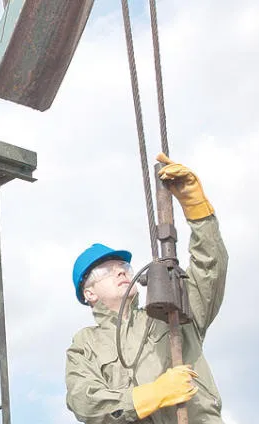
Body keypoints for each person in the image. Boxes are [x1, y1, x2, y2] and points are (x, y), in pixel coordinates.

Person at [65, 153, 228, 423]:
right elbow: (84, 401)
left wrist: (197, 210)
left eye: (123, 266)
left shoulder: (170, 310)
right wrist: (152, 396)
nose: (120, 271)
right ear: (89, 293)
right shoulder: (86, 345)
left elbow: (209, 268)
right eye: (106, 270)